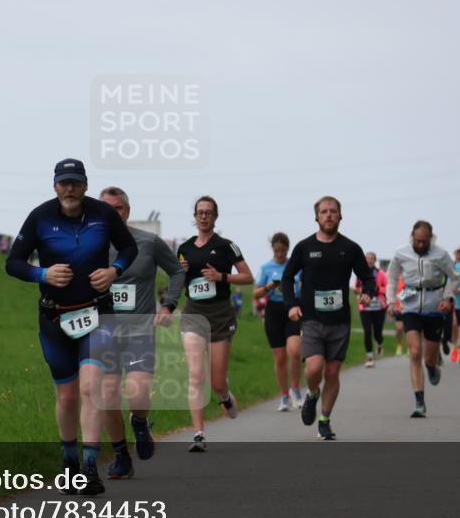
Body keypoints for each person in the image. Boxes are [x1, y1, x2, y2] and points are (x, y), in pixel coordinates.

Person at [5, 159, 137, 495]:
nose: (70, 189)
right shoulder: (39, 217)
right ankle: (69, 463)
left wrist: (115, 271)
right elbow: (13, 263)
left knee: (91, 387)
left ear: (85, 185)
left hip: (97, 314)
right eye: (64, 183)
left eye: (76, 183)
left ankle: (90, 467)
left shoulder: (103, 213)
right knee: (66, 396)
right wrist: (42, 274)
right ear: (55, 186)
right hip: (55, 318)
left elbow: (129, 247)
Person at [97, 187, 184, 479]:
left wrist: (169, 305)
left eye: (118, 208)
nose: (113, 214)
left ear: (127, 211)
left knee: (138, 392)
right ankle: (121, 456)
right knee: (107, 394)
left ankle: (140, 422)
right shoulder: (90, 244)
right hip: (103, 333)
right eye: (106, 209)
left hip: (139, 332)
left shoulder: (148, 242)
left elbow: (177, 271)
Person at [282, 196, 376, 441]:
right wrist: (292, 305)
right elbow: (287, 278)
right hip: (311, 318)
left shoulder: (351, 248)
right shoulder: (304, 247)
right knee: (314, 367)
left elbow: (368, 277)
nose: (329, 215)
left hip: (340, 320)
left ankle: (324, 420)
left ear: (340, 216)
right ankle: (312, 393)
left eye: (333, 211)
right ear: (316, 217)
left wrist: (368, 292)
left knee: (332, 373)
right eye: (324, 211)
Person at [176, 196, 253, 452]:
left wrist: (222, 276)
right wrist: (180, 272)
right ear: (195, 216)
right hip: (194, 315)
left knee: (217, 381)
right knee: (196, 375)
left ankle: (224, 396)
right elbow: (178, 283)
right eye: (200, 212)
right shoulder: (184, 248)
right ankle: (199, 434)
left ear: (215, 216)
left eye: (208, 212)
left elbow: (248, 277)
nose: (204, 216)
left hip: (220, 316)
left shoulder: (227, 246)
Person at [386, 221, 459, 419]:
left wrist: (447, 298)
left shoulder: (440, 254)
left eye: (424, 242)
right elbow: (392, 278)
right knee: (415, 352)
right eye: (417, 241)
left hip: (434, 308)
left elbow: (454, 277)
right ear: (412, 236)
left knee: (428, 357)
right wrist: (391, 302)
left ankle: (432, 367)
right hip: (410, 306)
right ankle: (419, 402)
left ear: (430, 238)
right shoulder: (401, 253)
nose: (420, 245)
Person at [253, 232, 304, 411]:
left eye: (283, 251)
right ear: (273, 250)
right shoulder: (266, 268)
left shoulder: (296, 266)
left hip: (292, 309)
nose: (280, 254)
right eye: (277, 251)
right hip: (273, 312)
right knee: (280, 357)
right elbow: (255, 293)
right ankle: (284, 396)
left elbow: (304, 286)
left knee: (295, 351)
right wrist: (267, 287)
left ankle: (296, 389)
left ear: (288, 249)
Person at [355, 251, 388, 368]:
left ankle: (379, 343)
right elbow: (357, 288)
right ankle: (369, 357)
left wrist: (378, 289)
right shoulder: (360, 273)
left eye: (371, 258)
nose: (369, 260)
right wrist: (358, 291)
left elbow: (387, 288)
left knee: (378, 331)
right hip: (365, 307)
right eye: (367, 258)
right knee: (367, 331)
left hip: (379, 307)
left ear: (375, 261)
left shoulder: (381, 274)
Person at [393, 275, 407, 356]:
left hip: (409, 308)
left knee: (408, 329)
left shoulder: (411, 278)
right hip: (399, 308)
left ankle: (409, 347)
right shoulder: (398, 279)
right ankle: (399, 345)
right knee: (399, 329)